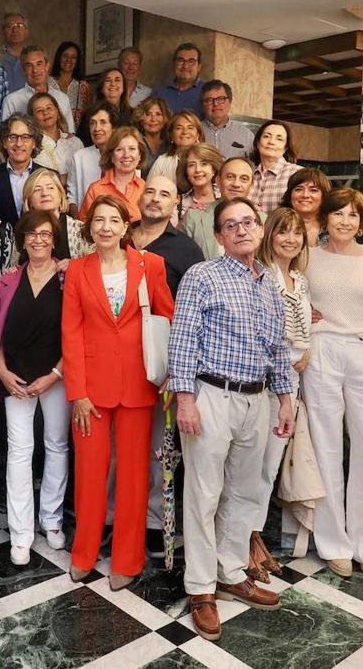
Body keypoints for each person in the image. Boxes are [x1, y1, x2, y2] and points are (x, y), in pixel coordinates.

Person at [169, 197, 296, 641]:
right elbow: (182, 341)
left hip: (257, 400)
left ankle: (231, 570)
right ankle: (201, 588)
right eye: (230, 225)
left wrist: (285, 399)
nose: (241, 230)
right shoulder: (203, 276)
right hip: (211, 395)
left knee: (244, 492)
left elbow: (279, 348)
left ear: (259, 228)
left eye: (248, 222)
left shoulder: (269, 283)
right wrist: (184, 399)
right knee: (204, 494)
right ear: (219, 236)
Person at [63, 195, 175, 590]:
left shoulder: (150, 265)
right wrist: (76, 391)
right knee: (90, 475)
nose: (106, 227)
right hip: (90, 389)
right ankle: (84, 552)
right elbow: (71, 333)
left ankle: (127, 559)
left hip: (138, 384)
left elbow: (168, 317)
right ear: (89, 228)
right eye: (99, 220)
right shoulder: (78, 270)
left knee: (132, 476)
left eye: (114, 220)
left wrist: (168, 374)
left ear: (126, 227)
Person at [304, 189, 363, 579]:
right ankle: (333, 542)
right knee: (325, 446)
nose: (345, 221)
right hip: (321, 350)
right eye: (337, 214)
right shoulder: (307, 257)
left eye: (352, 215)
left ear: (362, 220)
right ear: (325, 219)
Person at [0, 210, 69, 564]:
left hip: (57, 375)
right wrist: (1, 369)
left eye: (45, 234)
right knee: (19, 451)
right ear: (22, 239)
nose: (38, 240)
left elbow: (78, 333)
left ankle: (51, 520)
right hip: (15, 377)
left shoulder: (69, 278)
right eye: (31, 234)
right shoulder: (7, 280)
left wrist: (55, 374)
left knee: (57, 445)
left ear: (54, 239)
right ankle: (21, 533)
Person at [130, 176, 204, 558]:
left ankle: (156, 525)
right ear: (139, 197)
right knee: (120, 451)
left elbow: (195, 314)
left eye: (164, 194)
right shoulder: (120, 235)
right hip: (118, 361)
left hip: (163, 362)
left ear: (176, 203)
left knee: (162, 449)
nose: (155, 199)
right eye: (150, 192)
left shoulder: (185, 249)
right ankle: (117, 519)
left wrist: (181, 369)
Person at [248, 207, 314, 581]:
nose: (290, 239)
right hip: (265, 381)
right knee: (250, 465)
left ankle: (255, 535)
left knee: (270, 466)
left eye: (297, 233)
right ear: (269, 235)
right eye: (282, 232)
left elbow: (303, 327)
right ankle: (244, 538)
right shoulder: (261, 276)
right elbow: (264, 329)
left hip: (292, 382)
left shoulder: (300, 280)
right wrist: (292, 354)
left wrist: (305, 351)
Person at [0, 113, 43, 226]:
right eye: (12, 137)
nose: (18, 143)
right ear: (4, 143)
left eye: (25, 137)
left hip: (38, 241)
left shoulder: (47, 176)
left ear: (34, 143)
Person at [23, 167, 93, 261]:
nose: (45, 193)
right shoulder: (23, 231)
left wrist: (73, 265)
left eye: (50, 188)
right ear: (29, 201)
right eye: (37, 189)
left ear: (61, 195)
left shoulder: (80, 230)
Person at [79, 126, 147, 222]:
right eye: (119, 149)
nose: (126, 155)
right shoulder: (96, 189)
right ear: (111, 156)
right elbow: (84, 227)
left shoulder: (146, 189)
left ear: (140, 155)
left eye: (132, 149)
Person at [0, 45, 74, 131]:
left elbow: (69, 133)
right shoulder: (11, 101)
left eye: (39, 64)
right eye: (29, 65)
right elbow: (5, 137)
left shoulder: (62, 98)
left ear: (47, 66)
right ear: (23, 69)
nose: (35, 70)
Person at [177, 142, 225, 260]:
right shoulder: (178, 202)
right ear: (186, 172)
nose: (198, 170)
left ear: (213, 169)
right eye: (192, 165)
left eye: (204, 164)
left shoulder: (225, 198)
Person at [67, 104, 116, 213]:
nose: (97, 128)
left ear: (114, 128)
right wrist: (80, 224)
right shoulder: (79, 156)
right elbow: (72, 198)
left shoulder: (126, 156)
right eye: (92, 123)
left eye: (103, 122)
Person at [29, 92, 83, 187]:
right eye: (39, 111)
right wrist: (68, 179)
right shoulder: (31, 145)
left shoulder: (75, 142)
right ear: (33, 118)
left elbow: (85, 173)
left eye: (49, 108)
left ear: (57, 111)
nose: (45, 113)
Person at [249, 121, 300, 216]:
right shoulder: (247, 174)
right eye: (266, 136)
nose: (271, 142)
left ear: (286, 147)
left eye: (279, 139)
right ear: (257, 142)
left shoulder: (296, 173)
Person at [147, 110, 204, 185]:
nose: (185, 132)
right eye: (179, 128)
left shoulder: (208, 159)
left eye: (190, 127)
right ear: (171, 135)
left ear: (198, 135)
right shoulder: (162, 161)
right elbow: (149, 189)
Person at [281, 168, 332, 250]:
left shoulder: (332, 227)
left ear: (324, 196)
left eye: (313, 190)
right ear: (290, 195)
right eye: (299, 189)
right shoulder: (276, 225)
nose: (305, 195)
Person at [200, 81, 253, 158]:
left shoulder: (246, 134)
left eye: (221, 99)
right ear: (202, 105)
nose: (215, 104)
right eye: (209, 100)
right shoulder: (194, 131)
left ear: (230, 101)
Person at [48, 41, 92, 127]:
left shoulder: (83, 86)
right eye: (65, 56)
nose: (69, 60)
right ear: (59, 57)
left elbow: (88, 115)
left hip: (76, 136)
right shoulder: (47, 83)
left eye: (73, 57)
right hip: (50, 135)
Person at [154, 43, 205, 115]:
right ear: (174, 64)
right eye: (180, 60)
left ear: (199, 67)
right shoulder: (159, 93)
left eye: (191, 61)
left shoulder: (207, 92)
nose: (185, 66)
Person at [135, 96, 171, 173]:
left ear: (165, 118)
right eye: (148, 114)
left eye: (158, 114)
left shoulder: (170, 144)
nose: (153, 119)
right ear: (141, 119)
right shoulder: (135, 142)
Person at [0, 12, 30, 92]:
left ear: (26, 31)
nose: (15, 30)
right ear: (3, 31)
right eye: (10, 26)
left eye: (19, 26)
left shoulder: (33, 56)